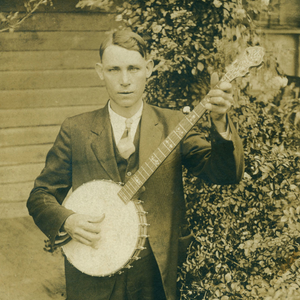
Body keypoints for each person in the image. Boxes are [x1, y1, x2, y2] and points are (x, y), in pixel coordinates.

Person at [27, 30, 244, 300]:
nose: (125, 80)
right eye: (114, 69)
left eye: (133, 68)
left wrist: (221, 122)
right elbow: (40, 196)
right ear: (100, 72)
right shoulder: (76, 130)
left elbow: (225, 174)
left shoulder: (174, 124)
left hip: (155, 275)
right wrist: (67, 221)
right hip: (94, 275)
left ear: (149, 69)